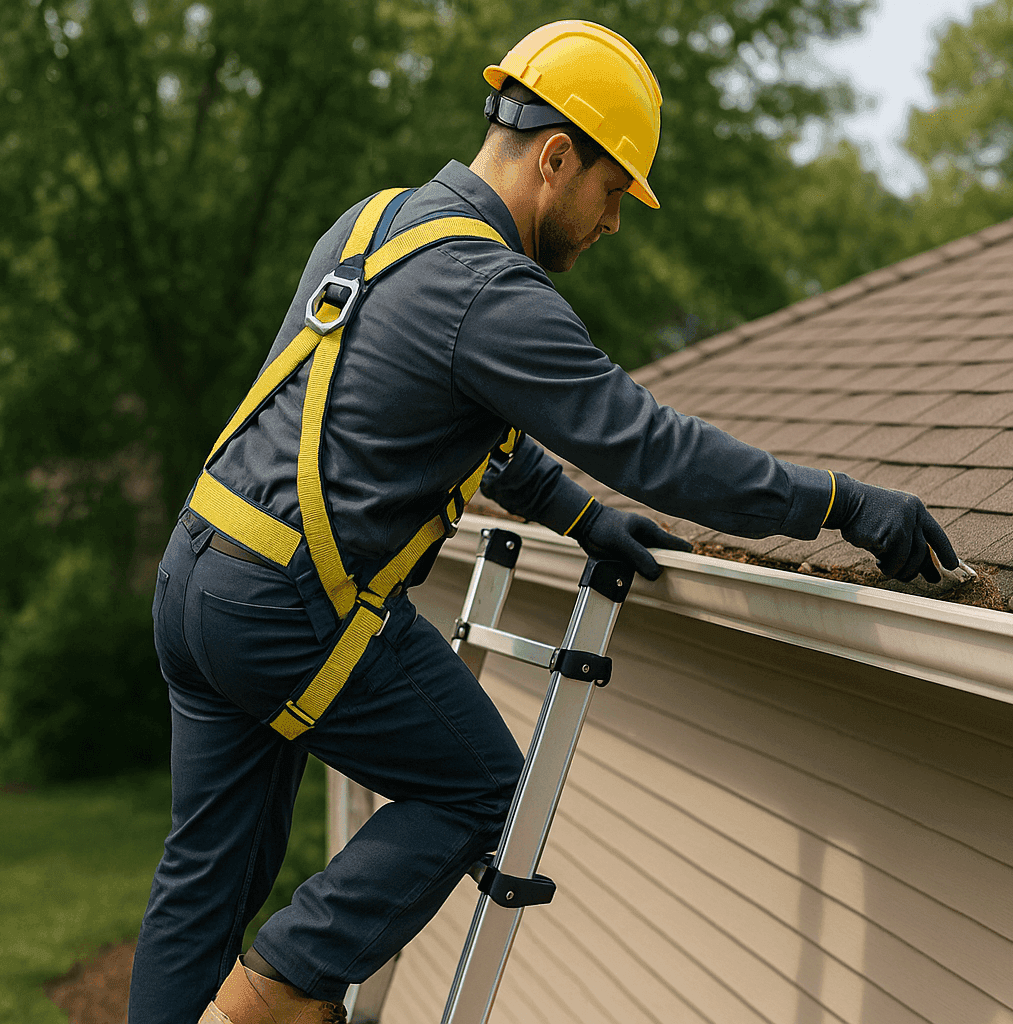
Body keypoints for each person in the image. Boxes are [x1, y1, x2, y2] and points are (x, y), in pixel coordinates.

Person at [131, 20, 957, 1024]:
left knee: (205, 879)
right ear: (557, 157)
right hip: (284, 607)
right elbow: (658, 448)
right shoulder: (490, 289)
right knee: (483, 786)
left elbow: (438, 415)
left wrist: (577, 513)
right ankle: (281, 993)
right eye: (614, 192)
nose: (614, 223)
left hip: (196, 581)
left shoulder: (375, 222)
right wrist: (842, 503)